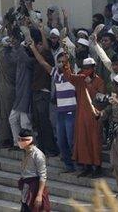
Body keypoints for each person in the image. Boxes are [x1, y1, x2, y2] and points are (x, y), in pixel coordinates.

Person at [29, 45, 77, 173]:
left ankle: (79, 164)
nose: (61, 64)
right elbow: (42, 62)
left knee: (71, 139)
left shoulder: (72, 75)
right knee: (61, 141)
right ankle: (69, 166)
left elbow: (71, 59)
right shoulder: (55, 73)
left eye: (63, 62)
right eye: (59, 62)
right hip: (60, 112)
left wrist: (65, 48)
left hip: (71, 112)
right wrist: (33, 48)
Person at [63, 57, 106, 178]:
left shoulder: (99, 81)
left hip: (94, 115)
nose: (86, 70)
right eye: (84, 68)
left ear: (93, 68)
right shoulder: (80, 78)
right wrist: (66, 63)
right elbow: (69, 77)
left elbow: (100, 98)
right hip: (82, 115)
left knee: (94, 141)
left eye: (88, 68)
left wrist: (89, 85)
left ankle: (97, 167)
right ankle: (87, 167)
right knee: (83, 140)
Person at [27, 28, 58, 157]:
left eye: (40, 44)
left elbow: (43, 52)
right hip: (36, 92)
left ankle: (51, 149)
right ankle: (42, 148)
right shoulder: (34, 58)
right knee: (37, 123)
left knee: (45, 123)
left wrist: (40, 30)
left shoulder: (48, 57)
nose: (38, 47)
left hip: (44, 94)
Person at [17, 129, 51, 212]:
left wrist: (39, 195)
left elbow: (43, 175)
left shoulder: (38, 155)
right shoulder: (26, 152)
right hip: (26, 187)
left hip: (34, 188)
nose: (21, 142)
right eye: (20, 139)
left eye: (23, 140)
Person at [0, 35, 17, 148]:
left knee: (4, 116)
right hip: (10, 90)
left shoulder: (5, 56)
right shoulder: (15, 55)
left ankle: (6, 139)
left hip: (5, 91)